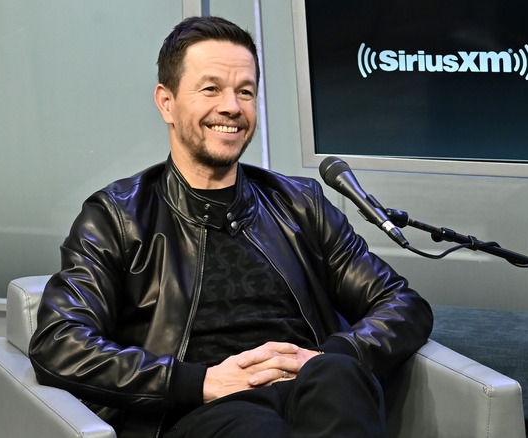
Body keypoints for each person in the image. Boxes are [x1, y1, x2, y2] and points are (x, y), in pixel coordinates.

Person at [29, 16, 433, 438]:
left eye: (245, 92)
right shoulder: (116, 216)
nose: (232, 107)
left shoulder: (300, 204)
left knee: (341, 377)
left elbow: (402, 304)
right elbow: (59, 342)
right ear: (166, 102)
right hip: (205, 411)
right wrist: (199, 381)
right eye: (211, 89)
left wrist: (331, 354)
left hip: (311, 393)